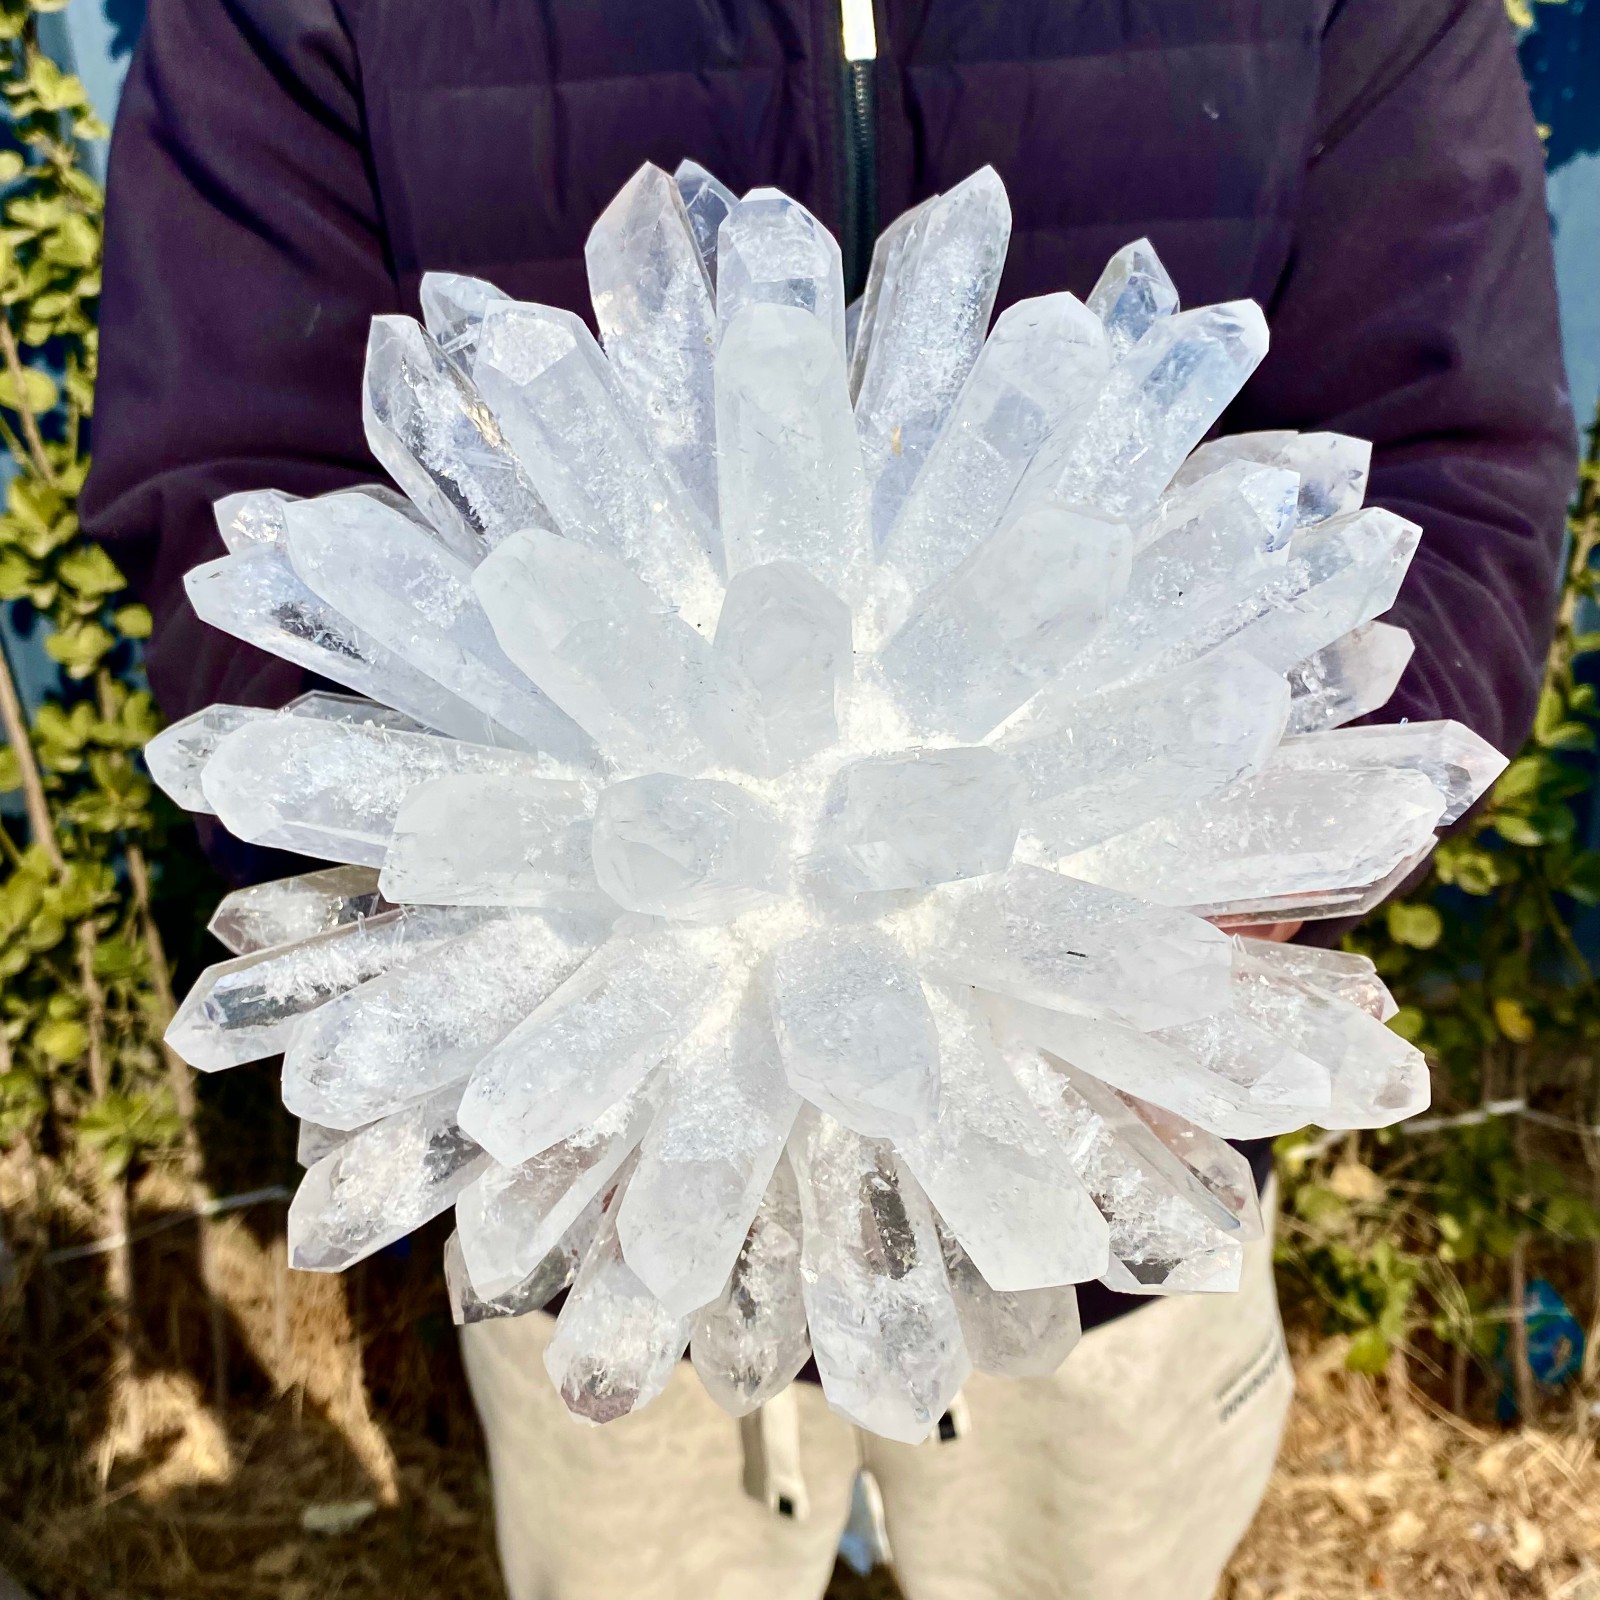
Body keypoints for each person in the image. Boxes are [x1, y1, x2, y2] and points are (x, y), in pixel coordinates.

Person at [82, 0, 1575, 1594]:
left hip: (1097, 1186)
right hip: (605, 1207)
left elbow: (1447, 474)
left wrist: (1232, 876)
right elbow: (240, 503)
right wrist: (448, 923)